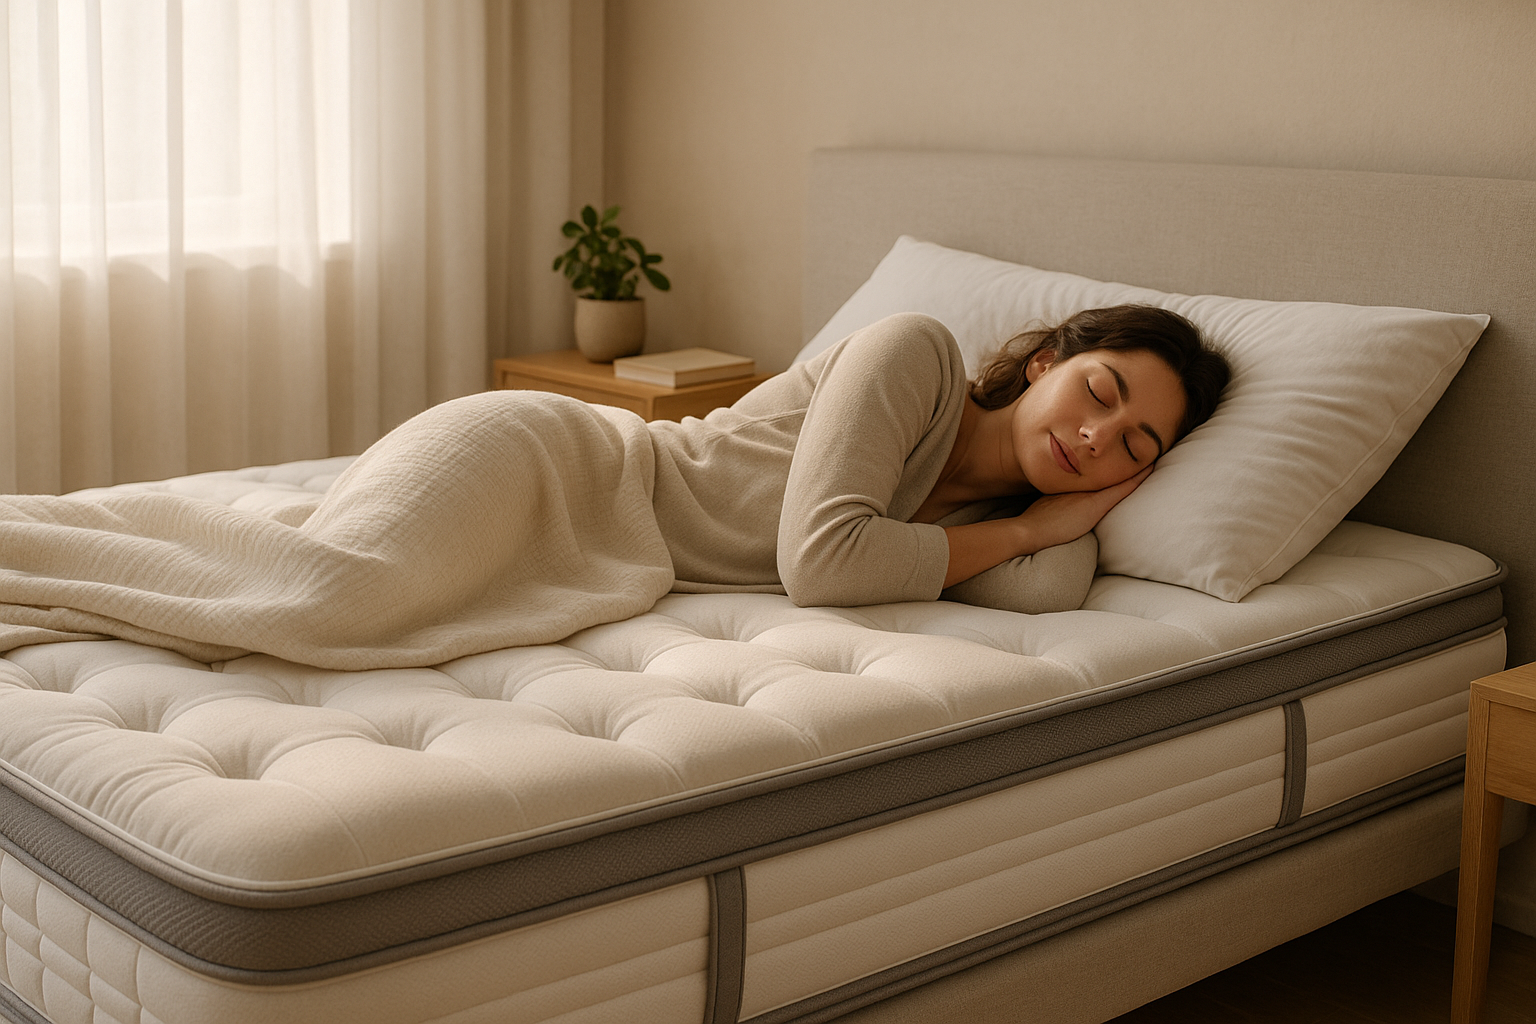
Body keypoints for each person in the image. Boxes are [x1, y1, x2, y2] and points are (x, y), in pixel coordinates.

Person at [0, 307, 1227, 671]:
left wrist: (1063, 525)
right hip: (560, 461)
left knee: (312, 593)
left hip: (603, 552)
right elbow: (823, 566)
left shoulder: (979, 524)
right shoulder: (911, 355)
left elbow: (1052, 591)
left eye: (1141, 450)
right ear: (1053, 359)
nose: (1102, 437)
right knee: (332, 597)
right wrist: (1030, 522)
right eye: (1106, 389)